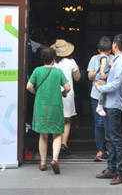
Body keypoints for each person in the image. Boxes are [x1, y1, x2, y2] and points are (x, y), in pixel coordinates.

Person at [26, 46, 71, 174]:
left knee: (43, 134)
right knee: (57, 134)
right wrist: (63, 93)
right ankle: (55, 159)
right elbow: (68, 87)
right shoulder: (57, 72)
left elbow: (29, 86)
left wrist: (36, 92)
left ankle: (42, 163)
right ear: (53, 59)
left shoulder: (37, 71)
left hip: (40, 105)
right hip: (55, 106)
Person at [94, 33, 122, 185]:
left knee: (116, 139)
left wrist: (101, 87)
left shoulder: (120, 62)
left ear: (115, 45)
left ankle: (120, 173)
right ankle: (111, 169)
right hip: (110, 104)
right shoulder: (116, 61)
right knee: (110, 138)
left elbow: (115, 84)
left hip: (114, 104)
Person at [86, 36, 113, 161]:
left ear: (110, 50)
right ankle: (100, 150)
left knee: (110, 123)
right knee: (99, 123)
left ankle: (110, 149)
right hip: (96, 95)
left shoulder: (114, 60)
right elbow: (90, 76)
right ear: (98, 50)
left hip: (111, 95)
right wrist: (100, 69)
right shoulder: (94, 59)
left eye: (106, 51)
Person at [52, 39, 81, 156]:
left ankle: (56, 145)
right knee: (67, 120)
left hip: (53, 93)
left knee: (55, 119)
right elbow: (78, 78)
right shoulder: (71, 61)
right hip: (67, 92)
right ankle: (64, 143)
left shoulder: (52, 62)